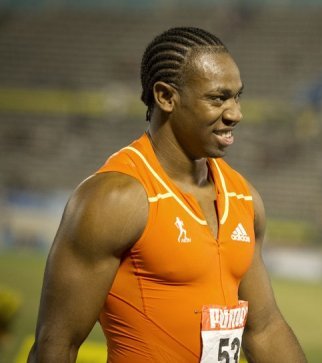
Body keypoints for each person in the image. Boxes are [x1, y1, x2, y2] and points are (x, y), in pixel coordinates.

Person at [28, 27, 307, 362]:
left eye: (237, 97)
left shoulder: (243, 198)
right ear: (165, 97)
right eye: (217, 98)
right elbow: (57, 344)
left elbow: (265, 329)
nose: (235, 113)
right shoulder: (115, 198)